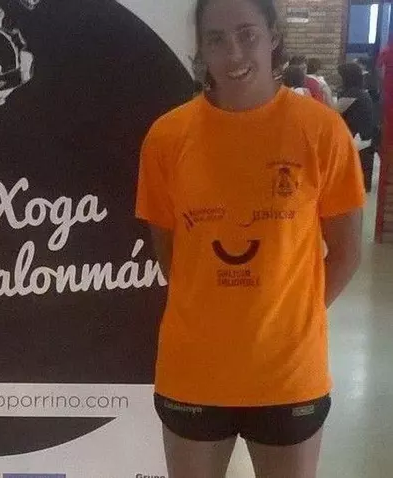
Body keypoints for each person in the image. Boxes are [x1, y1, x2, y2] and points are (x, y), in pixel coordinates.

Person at [136, 0, 365, 477]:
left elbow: (346, 252)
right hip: (194, 372)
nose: (234, 53)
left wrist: (291, 316)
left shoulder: (321, 131)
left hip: (289, 376)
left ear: (273, 36)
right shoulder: (167, 138)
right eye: (216, 39)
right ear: (201, 48)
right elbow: (169, 252)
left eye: (247, 34)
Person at [337, 61, 377, 192]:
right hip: (365, 136)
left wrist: (325, 92)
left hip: (358, 138)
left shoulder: (353, 93)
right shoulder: (360, 92)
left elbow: (332, 112)